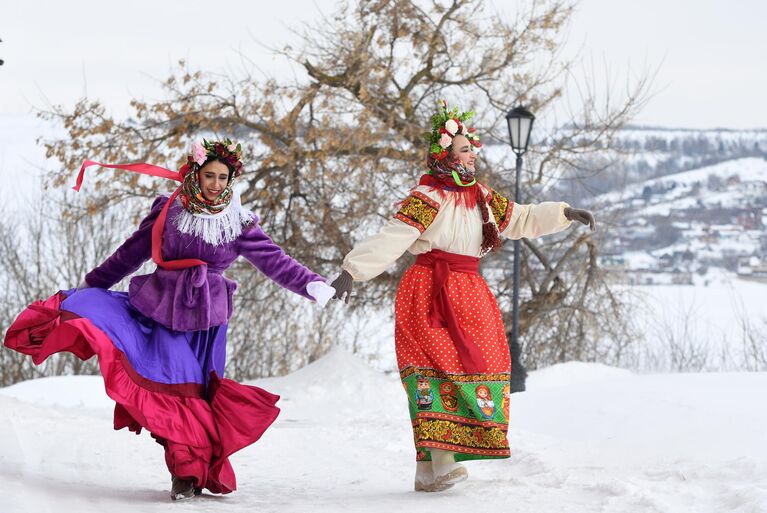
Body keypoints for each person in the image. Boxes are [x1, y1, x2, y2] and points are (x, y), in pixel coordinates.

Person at [4, 139, 336, 500]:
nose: (215, 184)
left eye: (223, 178)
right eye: (209, 175)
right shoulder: (170, 211)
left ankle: (191, 471)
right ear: (194, 173)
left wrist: (311, 284)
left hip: (207, 324)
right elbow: (129, 254)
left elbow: (275, 261)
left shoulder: (238, 223)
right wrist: (90, 285)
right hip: (161, 312)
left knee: (195, 396)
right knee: (175, 393)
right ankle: (186, 476)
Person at [331, 101, 595, 492]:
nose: (471, 155)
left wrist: (563, 213)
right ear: (444, 155)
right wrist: (352, 270)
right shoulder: (427, 197)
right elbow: (394, 237)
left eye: (471, 148)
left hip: (470, 292)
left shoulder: (480, 196)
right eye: (463, 149)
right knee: (435, 371)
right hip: (429, 290)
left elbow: (519, 218)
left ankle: (427, 470)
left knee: (484, 364)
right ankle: (442, 459)